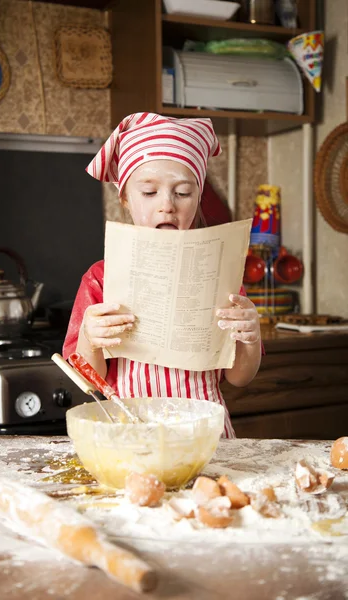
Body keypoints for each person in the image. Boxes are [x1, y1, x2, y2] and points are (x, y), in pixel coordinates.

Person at [63, 112, 262, 438]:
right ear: (125, 198)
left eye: (183, 193)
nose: (167, 205)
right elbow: (89, 383)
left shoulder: (220, 274)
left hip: (207, 437)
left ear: (198, 198)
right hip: (132, 436)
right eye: (149, 192)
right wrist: (89, 338)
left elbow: (239, 377)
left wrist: (250, 339)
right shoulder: (101, 278)